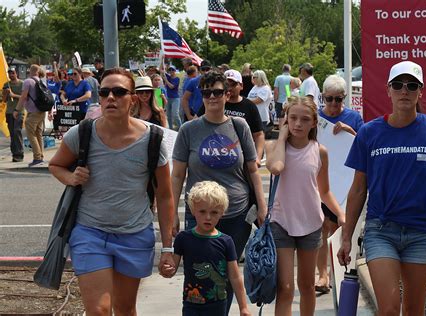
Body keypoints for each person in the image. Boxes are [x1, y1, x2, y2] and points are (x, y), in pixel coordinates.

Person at [337, 60, 426, 315]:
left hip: (421, 233)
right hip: (381, 230)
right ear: (388, 90)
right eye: (398, 85)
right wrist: (347, 237)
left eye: (412, 86)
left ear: (420, 91)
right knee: (388, 309)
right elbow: (357, 190)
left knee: (413, 310)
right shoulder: (369, 133)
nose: (404, 91)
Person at [48, 67, 175, 314]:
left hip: (134, 234)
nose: (110, 98)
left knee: (125, 308)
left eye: (119, 92)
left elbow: (165, 195)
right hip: (90, 233)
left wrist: (168, 248)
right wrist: (72, 177)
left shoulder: (153, 140)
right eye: (105, 92)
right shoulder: (81, 133)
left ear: (133, 99)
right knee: (99, 310)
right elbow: (56, 165)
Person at [172, 71, 267, 314]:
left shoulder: (239, 126)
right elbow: (177, 175)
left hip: (236, 213)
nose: (212, 97)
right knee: (200, 275)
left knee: (227, 275)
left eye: (217, 92)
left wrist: (262, 205)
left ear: (227, 94)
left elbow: (252, 169)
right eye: (206, 93)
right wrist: (171, 211)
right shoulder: (189, 130)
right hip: (199, 214)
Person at [266, 96, 345, 316]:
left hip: (311, 224)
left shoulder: (320, 151)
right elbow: (275, 167)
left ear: (313, 123)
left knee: (307, 285)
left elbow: (325, 191)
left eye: (304, 119)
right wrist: (281, 136)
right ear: (285, 120)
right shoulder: (274, 146)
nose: (298, 124)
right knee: (285, 287)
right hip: (280, 222)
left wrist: (341, 214)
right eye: (292, 118)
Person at [162, 181, 251, 316]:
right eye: (202, 211)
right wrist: (166, 270)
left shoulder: (226, 241)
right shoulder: (183, 239)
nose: (208, 217)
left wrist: (243, 307)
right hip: (191, 303)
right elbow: (172, 268)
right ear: (193, 210)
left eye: (214, 212)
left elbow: (235, 276)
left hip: (218, 304)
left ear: (222, 213)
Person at [315, 74, 364, 294]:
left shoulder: (354, 119)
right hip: (318, 181)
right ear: (323, 97)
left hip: (344, 182)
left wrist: (349, 132)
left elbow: (363, 148)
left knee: (336, 228)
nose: (334, 104)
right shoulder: (314, 119)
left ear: (344, 98)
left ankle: (336, 272)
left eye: (338, 99)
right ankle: (323, 275)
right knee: (320, 228)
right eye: (329, 99)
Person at [196, 69, 265, 166]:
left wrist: (257, 157)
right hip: (214, 151)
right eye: (227, 85)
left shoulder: (252, 103)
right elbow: (197, 122)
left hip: (241, 157)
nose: (230, 88)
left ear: (241, 86)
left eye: (233, 84)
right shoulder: (215, 102)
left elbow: (258, 134)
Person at [14, 64, 49, 167]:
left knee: (31, 134)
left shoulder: (28, 81)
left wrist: (17, 110)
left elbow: (23, 96)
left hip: (32, 112)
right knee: (38, 134)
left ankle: (37, 157)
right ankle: (41, 156)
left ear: (30, 71)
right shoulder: (41, 82)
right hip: (41, 111)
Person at [2, 68, 24, 162]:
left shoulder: (22, 84)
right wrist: (6, 94)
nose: (11, 75)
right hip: (9, 112)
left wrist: (13, 95)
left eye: (13, 73)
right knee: (12, 133)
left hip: (19, 111)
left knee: (17, 131)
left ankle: (19, 153)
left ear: (17, 73)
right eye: (9, 73)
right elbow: (3, 100)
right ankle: (14, 154)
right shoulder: (6, 85)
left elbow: (24, 97)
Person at [162, 65, 181, 130]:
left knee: (175, 114)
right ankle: (170, 128)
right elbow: (161, 70)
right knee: (168, 115)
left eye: (172, 70)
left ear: (175, 71)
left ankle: (181, 127)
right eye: (170, 70)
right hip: (168, 98)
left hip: (175, 99)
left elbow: (171, 86)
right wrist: (162, 59)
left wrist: (166, 80)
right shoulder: (168, 77)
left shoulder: (177, 79)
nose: (171, 71)